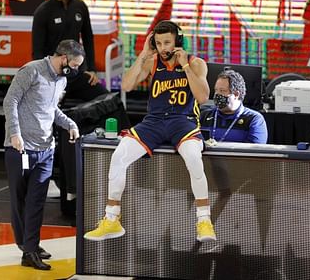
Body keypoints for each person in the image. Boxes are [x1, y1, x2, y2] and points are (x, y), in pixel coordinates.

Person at [84, 20, 217, 242]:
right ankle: (112, 219)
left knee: (194, 158)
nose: (163, 47)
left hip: (182, 121)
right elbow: (126, 86)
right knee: (118, 157)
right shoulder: (152, 61)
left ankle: (204, 220)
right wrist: (143, 55)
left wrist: (184, 66)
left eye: (167, 42)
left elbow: (203, 97)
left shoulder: (196, 63)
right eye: (158, 43)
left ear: (178, 41)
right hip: (153, 122)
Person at [3, 39, 82, 270]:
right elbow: (10, 101)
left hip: (46, 149)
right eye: (75, 65)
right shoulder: (32, 70)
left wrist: (69, 124)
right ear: (64, 58)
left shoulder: (62, 79)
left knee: (36, 202)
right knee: (20, 201)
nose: (76, 69)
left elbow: (50, 109)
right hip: (21, 148)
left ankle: (31, 247)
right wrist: (15, 133)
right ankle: (26, 246)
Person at [32, 0, 108, 101]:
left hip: (78, 72)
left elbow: (88, 39)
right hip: (54, 75)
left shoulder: (80, 7)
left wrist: (92, 70)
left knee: (106, 99)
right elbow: (37, 51)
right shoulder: (43, 12)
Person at [200, 68, 268, 144]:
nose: (217, 94)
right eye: (216, 90)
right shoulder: (204, 115)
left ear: (236, 94)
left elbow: (254, 152)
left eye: (222, 90)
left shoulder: (255, 120)